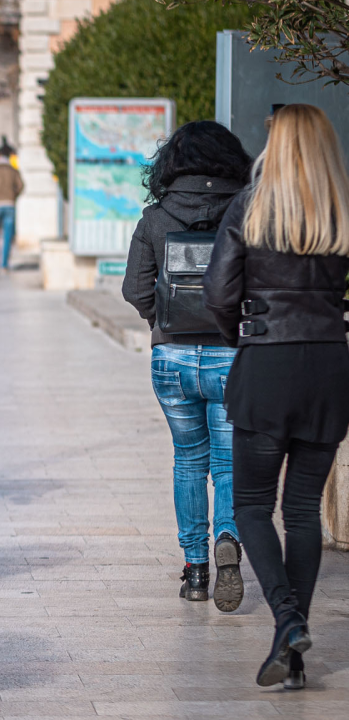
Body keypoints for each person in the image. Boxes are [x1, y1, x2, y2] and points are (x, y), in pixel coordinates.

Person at [204, 104, 349, 690]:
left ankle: (287, 618)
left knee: (251, 507)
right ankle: (290, 648)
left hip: (267, 361)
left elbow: (218, 290)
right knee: (302, 510)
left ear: (277, 147)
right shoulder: (340, 210)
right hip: (329, 365)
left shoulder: (251, 206)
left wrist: (241, 332)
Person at [121, 121, 252, 612]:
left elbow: (134, 289)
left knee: (188, 461)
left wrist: (164, 321)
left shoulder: (155, 218)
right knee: (227, 460)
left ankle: (196, 570)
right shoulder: (246, 212)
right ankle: (227, 539)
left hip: (172, 356)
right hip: (231, 352)